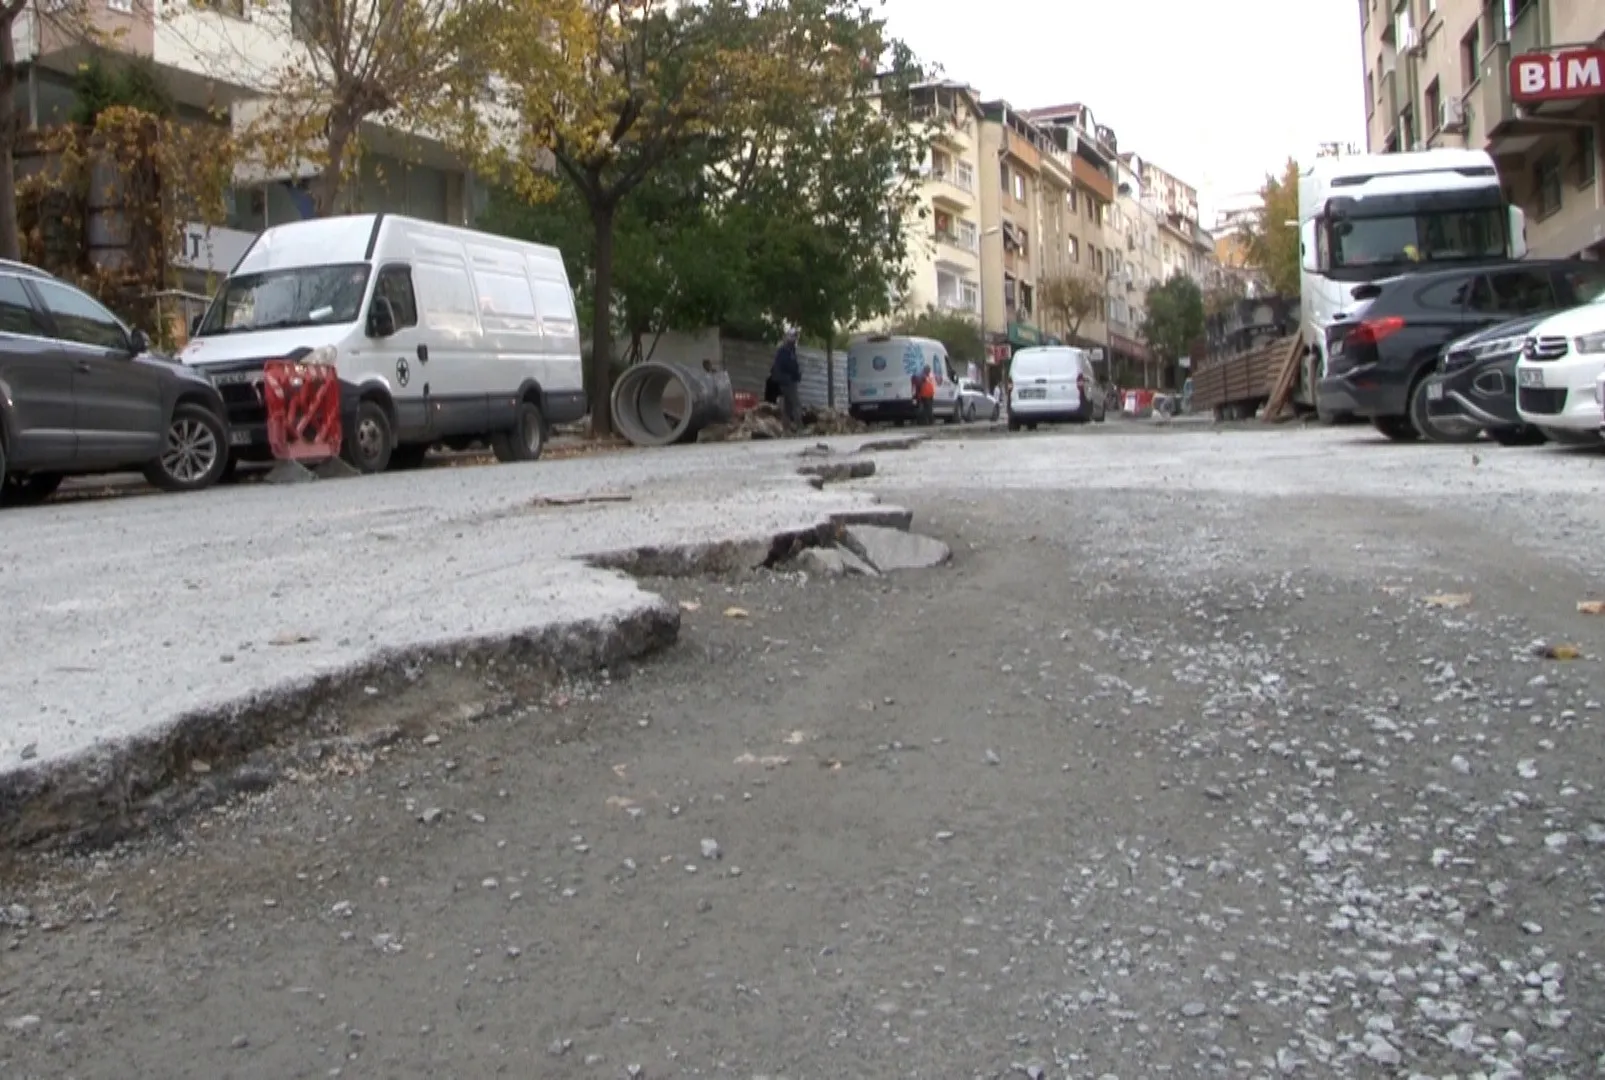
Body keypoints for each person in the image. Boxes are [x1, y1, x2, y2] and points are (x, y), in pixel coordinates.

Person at [771, 328, 802, 430]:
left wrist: (797, 374)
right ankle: (799, 427)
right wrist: (793, 374)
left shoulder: (791, 350)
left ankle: (786, 428)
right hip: (787, 381)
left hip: (790, 380)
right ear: (788, 337)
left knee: (788, 406)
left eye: (795, 337)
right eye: (793, 336)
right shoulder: (784, 350)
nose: (795, 339)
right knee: (796, 403)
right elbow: (784, 365)